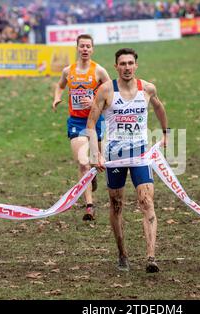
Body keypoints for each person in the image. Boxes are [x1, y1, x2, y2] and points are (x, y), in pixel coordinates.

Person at [86, 48, 169, 273]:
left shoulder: (147, 89)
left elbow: (159, 107)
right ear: (116, 67)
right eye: (122, 64)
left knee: (146, 202)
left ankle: (151, 256)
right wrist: (96, 154)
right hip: (114, 158)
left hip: (140, 156)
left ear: (136, 65)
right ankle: (122, 253)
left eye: (130, 63)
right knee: (116, 205)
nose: (127, 67)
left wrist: (165, 132)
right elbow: (91, 124)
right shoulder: (106, 91)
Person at [52, 34, 110, 221]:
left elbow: (111, 94)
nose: (85, 49)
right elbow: (60, 86)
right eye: (82, 46)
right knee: (83, 163)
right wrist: (56, 97)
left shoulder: (99, 71)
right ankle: (89, 206)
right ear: (77, 48)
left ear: (92, 49)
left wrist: (94, 101)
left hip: (95, 122)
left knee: (95, 162)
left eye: (88, 46)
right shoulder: (68, 71)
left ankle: (92, 179)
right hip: (76, 122)